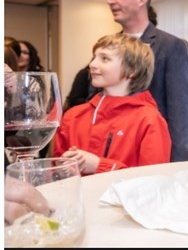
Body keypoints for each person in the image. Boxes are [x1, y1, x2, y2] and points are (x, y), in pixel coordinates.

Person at [53, 33, 171, 174]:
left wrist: (99, 166)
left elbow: (152, 180)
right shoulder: (73, 116)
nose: (92, 64)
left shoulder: (149, 121)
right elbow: (56, 170)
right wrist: (65, 167)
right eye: (94, 57)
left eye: (105, 59)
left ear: (132, 70)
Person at [107, 0, 188, 162]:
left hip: (150, 151)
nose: (110, 1)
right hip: (112, 153)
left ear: (141, 0)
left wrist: (176, 165)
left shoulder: (170, 46)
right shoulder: (107, 47)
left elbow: (179, 111)